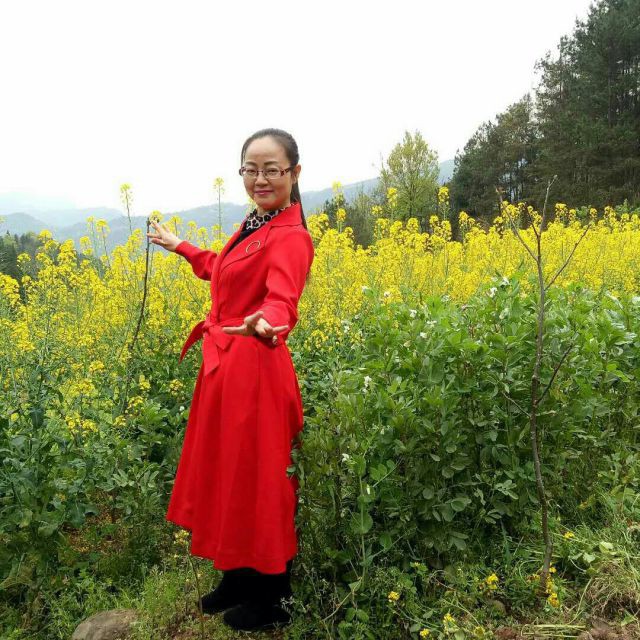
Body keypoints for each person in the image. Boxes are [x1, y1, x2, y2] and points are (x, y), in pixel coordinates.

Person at [147, 128, 314, 632]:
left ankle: (273, 597)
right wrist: (181, 246)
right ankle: (237, 577)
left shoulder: (291, 235)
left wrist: (269, 323)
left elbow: (282, 299)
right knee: (229, 474)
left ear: (294, 174)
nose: (260, 178)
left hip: (257, 370)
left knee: (260, 481)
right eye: (251, 169)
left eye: (272, 169)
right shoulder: (257, 223)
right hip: (227, 370)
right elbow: (225, 270)